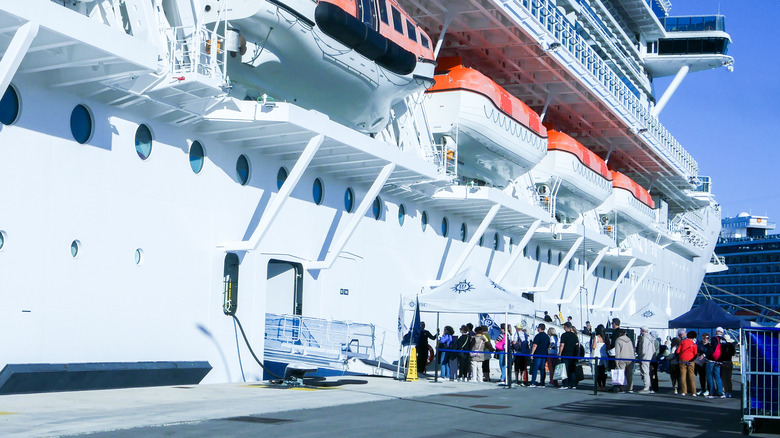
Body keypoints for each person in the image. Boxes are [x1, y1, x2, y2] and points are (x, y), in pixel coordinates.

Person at [705, 327, 726, 398]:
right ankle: (720, 392)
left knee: (710, 376)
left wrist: (705, 354)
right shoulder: (724, 340)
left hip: (712, 359)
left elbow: (712, 348)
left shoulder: (714, 338)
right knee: (717, 376)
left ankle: (712, 392)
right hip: (720, 360)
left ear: (717, 332)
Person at [558, 322, 580, 389]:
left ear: (566, 327)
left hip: (565, 354)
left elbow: (562, 345)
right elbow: (577, 345)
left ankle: (565, 384)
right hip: (573, 355)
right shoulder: (574, 336)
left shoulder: (564, 335)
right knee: (572, 370)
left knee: (565, 370)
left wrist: (559, 354)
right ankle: (573, 384)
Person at [636, 326, 656, 394]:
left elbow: (643, 348)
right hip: (649, 356)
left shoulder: (644, 338)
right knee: (647, 372)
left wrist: (642, 357)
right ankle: (648, 386)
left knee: (645, 372)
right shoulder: (650, 338)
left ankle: (646, 387)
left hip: (644, 357)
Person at [529, 323, 550, 388]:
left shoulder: (538, 336)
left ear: (539, 328)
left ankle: (533, 382)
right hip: (544, 354)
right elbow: (548, 345)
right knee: (542, 369)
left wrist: (532, 353)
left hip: (538, 354)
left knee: (535, 368)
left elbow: (535, 345)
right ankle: (542, 383)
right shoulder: (547, 336)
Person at [678, 331, 698, 396]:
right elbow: (695, 354)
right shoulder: (694, 344)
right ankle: (693, 392)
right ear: (694, 337)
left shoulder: (682, 342)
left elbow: (678, 351)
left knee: (683, 375)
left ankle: (684, 391)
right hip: (691, 360)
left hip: (682, 359)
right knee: (691, 376)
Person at [615, 329, 635, 393]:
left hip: (622, 358)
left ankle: (622, 388)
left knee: (621, 373)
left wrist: (616, 361)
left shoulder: (618, 340)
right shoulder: (629, 340)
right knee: (629, 374)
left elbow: (617, 352)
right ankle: (630, 387)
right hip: (630, 358)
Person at [592, 324, 608, 391]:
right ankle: (604, 386)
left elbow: (594, 346)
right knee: (603, 372)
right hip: (604, 356)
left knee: (598, 372)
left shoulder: (596, 337)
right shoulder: (605, 338)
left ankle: (599, 386)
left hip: (597, 356)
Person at [720, 333, 736, 398]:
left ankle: (725, 391)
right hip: (729, 362)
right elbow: (733, 354)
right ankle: (729, 391)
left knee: (723, 378)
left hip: (724, 362)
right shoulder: (731, 346)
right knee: (728, 378)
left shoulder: (723, 346)